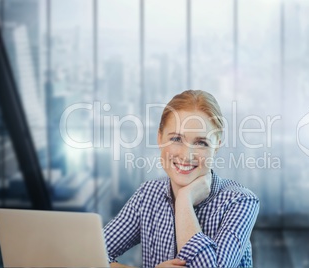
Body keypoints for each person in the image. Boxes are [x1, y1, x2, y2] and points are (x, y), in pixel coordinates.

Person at [103, 90, 259, 267]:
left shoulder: (240, 201)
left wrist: (184, 202)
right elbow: (92, 255)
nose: (186, 155)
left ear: (216, 147)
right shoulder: (147, 195)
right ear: (160, 138)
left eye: (201, 143)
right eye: (176, 138)